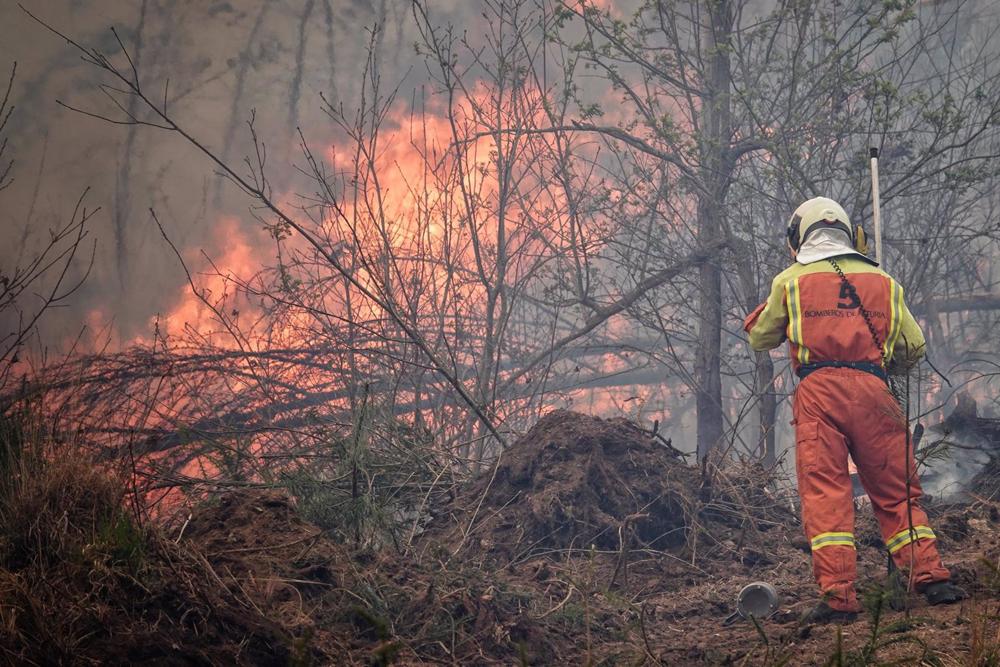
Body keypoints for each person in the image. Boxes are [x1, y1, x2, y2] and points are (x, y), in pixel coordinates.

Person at [743, 196, 966, 623]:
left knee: (826, 494)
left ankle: (839, 598)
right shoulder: (884, 281)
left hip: (818, 391)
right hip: (873, 389)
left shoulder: (790, 281)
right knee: (897, 490)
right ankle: (933, 580)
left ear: (799, 236)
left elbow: (761, 338)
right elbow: (912, 348)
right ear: (850, 233)